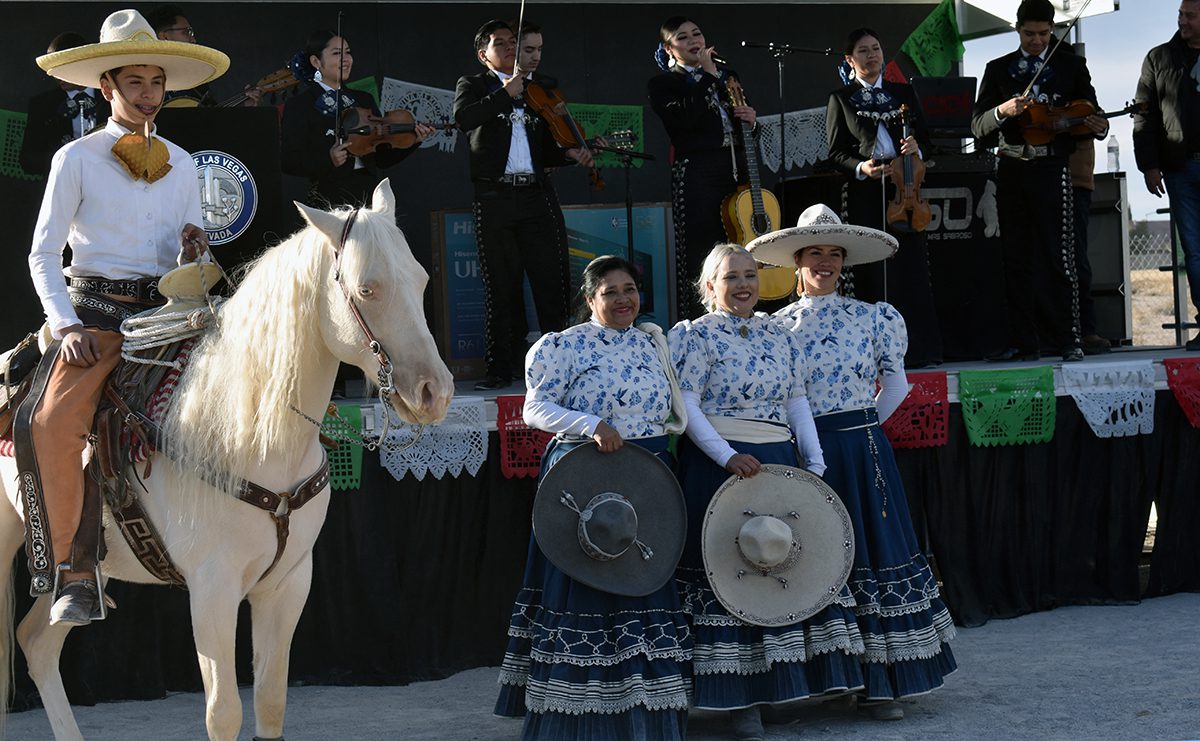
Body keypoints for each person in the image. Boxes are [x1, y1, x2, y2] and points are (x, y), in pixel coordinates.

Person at [23, 9, 224, 625]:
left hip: (169, 315)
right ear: (105, 88)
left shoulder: (185, 163)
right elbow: (41, 253)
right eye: (134, 82)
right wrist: (66, 326)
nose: (148, 94)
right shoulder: (75, 158)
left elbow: (188, 257)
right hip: (95, 316)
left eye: (156, 83)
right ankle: (74, 571)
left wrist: (197, 250)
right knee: (54, 421)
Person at [750, 204, 957, 722]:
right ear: (797, 261)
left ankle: (883, 684)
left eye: (835, 254)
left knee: (871, 551)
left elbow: (898, 386)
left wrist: (863, 428)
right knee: (809, 555)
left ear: (845, 263)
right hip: (801, 452)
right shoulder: (774, 327)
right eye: (815, 253)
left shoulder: (874, 316)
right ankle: (820, 679)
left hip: (862, 451)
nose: (826, 262)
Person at [668, 244, 864, 741]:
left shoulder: (780, 335)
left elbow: (797, 402)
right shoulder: (694, 336)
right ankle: (737, 701)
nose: (743, 285)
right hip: (721, 468)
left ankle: (778, 689)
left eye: (750, 275)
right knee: (731, 576)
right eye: (731, 277)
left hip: (778, 463)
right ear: (710, 286)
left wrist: (814, 463)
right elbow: (687, 408)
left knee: (777, 569)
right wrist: (725, 457)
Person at [494, 255, 692, 740]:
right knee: (589, 585)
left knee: (642, 580)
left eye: (630, 289)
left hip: (644, 478)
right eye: (611, 292)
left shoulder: (652, 343)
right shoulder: (563, 347)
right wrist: (591, 425)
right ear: (590, 300)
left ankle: (645, 714)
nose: (624, 299)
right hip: (586, 478)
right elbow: (535, 408)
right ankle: (574, 719)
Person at [453, 20, 594, 391]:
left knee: (552, 282)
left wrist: (571, 153)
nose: (511, 49)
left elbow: (547, 149)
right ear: (484, 54)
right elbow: (464, 119)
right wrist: (504, 92)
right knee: (501, 286)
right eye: (501, 44)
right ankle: (502, 368)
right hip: (494, 196)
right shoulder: (474, 84)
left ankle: (562, 368)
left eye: (515, 43)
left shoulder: (537, 90)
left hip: (536, 194)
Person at [971, 0, 1109, 363]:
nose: (1036, 41)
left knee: (1059, 256)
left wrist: (1099, 125)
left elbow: (1089, 112)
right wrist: (1003, 111)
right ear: (1017, 30)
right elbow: (977, 126)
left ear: (1051, 28)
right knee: (1015, 258)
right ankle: (1023, 341)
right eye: (1029, 34)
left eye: (1044, 33)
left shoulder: (1070, 65)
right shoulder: (998, 69)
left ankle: (1070, 337)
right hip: (1013, 168)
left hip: (1053, 168)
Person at [825, 28, 943, 369]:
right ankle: (874, 354)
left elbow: (929, 140)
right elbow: (835, 152)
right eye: (863, 51)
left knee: (911, 269)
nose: (872, 55)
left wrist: (917, 146)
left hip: (904, 186)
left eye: (876, 48)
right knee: (873, 272)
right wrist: (861, 166)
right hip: (867, 188)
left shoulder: (903, 92)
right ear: (850, 59)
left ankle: (918, 350)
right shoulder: (841, 98)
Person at [648, 16, 757, 321]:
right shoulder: (663, 83)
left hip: (735, 167)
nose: (693, 40)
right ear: (670, 49)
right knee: (702, 251)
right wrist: (708, 77)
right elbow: (683, 123)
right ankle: (699, 323)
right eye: (683, 38)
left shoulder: (728, 76)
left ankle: (747, 318)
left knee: (744, 243)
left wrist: (751, 121)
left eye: (697, 33)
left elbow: (741, 126)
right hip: (697, 172)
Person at [282, 30, 432, 210]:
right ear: (316, 61)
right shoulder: (301, 104)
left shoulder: (363, 99)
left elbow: (382, 158)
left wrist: (414, 140)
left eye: (348, 52)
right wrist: (328, 159)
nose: (347, 59)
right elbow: (288, 161)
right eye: (337, 53)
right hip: (327, 197)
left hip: (368, 197)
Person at [1133, 0, 1200, 351]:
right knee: (1195, 251)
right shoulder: (1159, 58)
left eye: (1190, 15)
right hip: (1180, 167)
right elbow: (1143, 115)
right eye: (1180, 14)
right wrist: (1149, 165)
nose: (1183, 21)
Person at [20, 32, 112, 177]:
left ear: (81, 62)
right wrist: (68, 163)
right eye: (52, 68)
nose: (56, 75)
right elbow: (28, 159)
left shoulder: (111, 96)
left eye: (63, 67)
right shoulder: (42, 105)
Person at [145, 4, 261, 107]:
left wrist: (246, 106)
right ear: (165, 37)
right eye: (187, 32)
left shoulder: (197, 79)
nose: (193, 39)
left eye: (192, 33)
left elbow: (212, 121)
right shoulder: (144, 75)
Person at [1068, 138, 1112, 354]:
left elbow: (1099, 123)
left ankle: (1086, 329)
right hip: (1037, 177)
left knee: (1077, 258)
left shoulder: (1085, 102)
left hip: (1076, 181)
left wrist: (1100, 124)